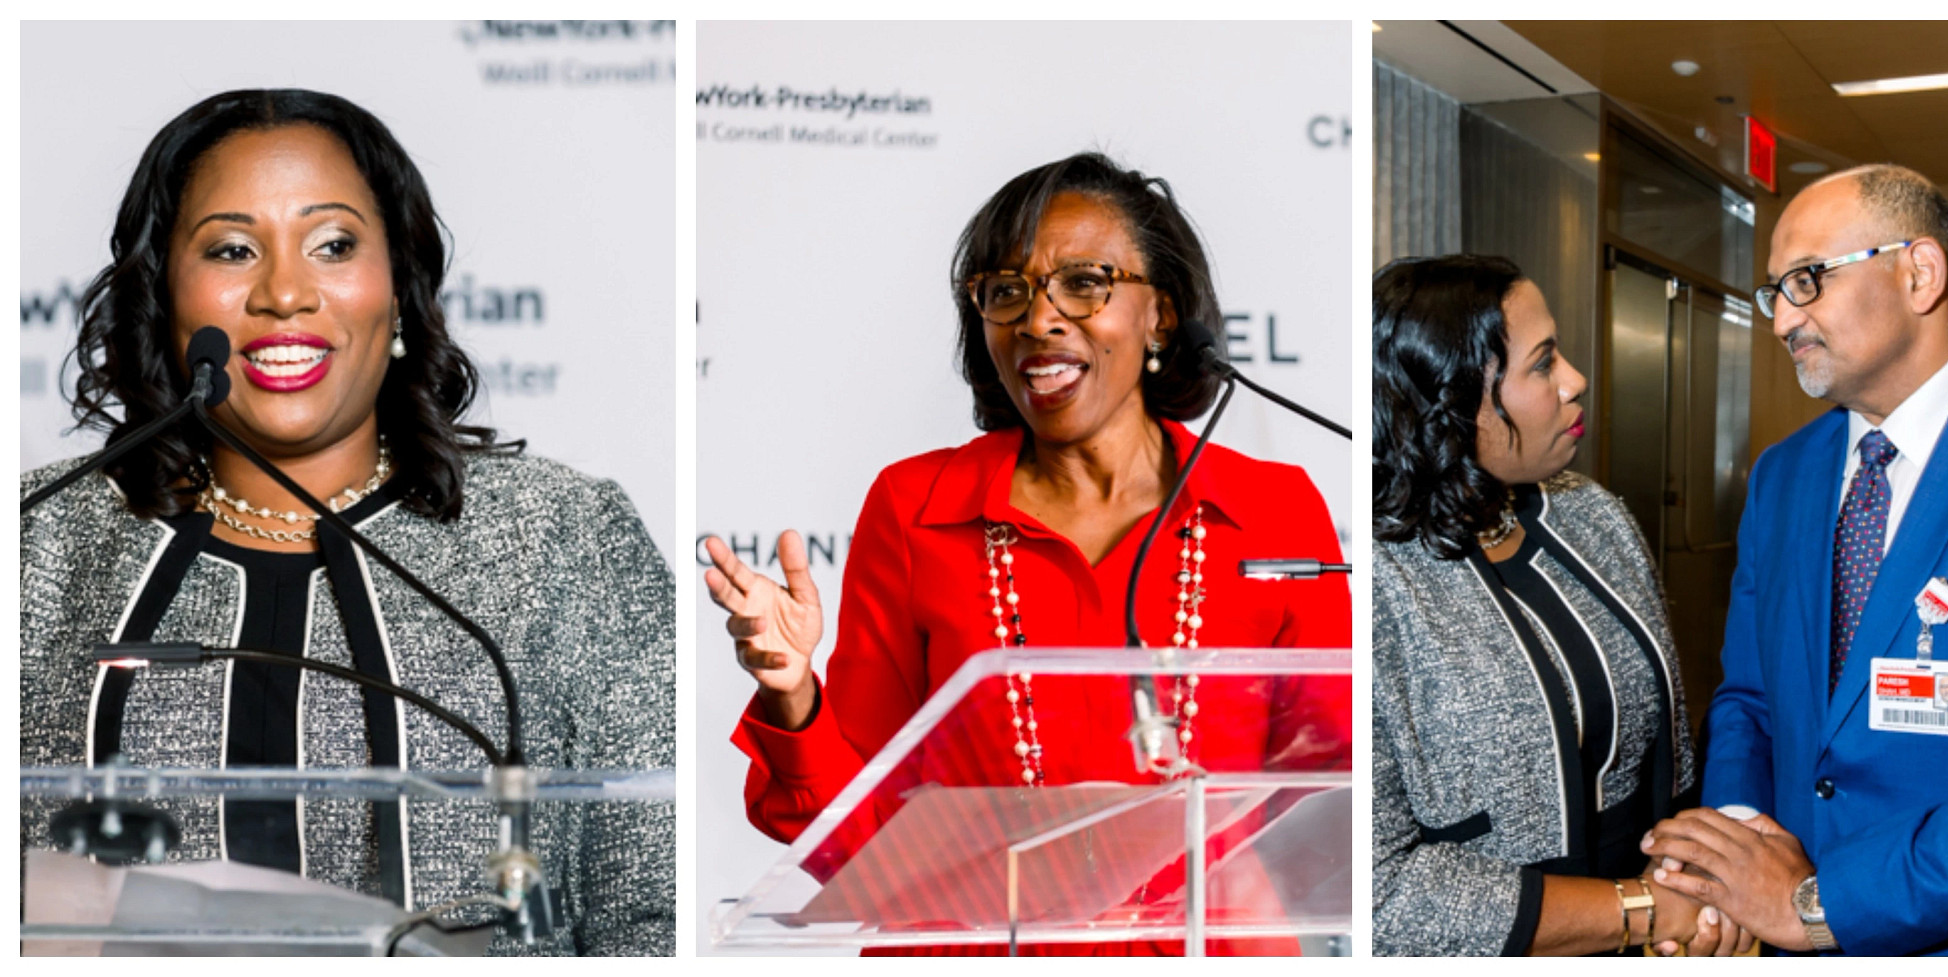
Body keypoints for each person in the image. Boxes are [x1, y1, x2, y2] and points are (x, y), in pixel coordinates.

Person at [18, 89, 675, 956]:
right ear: (165, 298)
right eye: (232, 248)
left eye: (332, 245)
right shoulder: (37, 544)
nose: (285, 292)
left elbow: (652, 913)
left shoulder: (565, 538)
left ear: (399, 287)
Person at [705, 152, 1351, 956]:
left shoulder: (1273, 509)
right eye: (1006, 292)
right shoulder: (915, 510)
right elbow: (857, 835)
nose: (1039, 319)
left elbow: (1335, 799)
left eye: (1084, 282)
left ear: (1163, 314)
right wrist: (795, 692)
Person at [1642, 164, 1948, 956]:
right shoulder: (1785, 474)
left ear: (1919, 272)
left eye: (1807, 281)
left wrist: (1821, 904)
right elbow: (1749, 699)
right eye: (1774, 291)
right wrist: (1732, 865)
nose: (1782, 321)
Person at [1371, 255, 1743, 956]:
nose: (1575, 378)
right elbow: (1382, 889)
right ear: (1450, 402)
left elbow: (1672, 750)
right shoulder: (1375, 582)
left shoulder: (1590, 512)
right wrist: (1641, 908)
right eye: (1542, 364)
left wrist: (1697, 887)